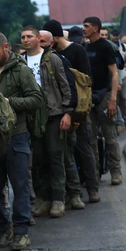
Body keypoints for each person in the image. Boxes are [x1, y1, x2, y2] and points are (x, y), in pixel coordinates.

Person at [0, 32, 42, 251]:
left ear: (5, 48)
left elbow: (37, 99)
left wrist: (9, 102)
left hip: (16, 136)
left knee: (19, 185)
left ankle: (21, 232)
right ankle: (3, 230)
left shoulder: (20, 70)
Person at [43, 20, 99, 205]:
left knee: (84, 148)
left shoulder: (77, 51)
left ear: (54, 37)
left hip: (79, 109)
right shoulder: (52, 55)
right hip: (61, 111)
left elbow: (85, 82)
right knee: (66, 153)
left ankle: (92, 188)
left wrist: (78, 114)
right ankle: (71, 191)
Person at [25, 28, 72, 219]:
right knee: (38, 160)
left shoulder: (52, 59)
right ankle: (43, 198)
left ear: (38, 39)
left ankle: (59, 199)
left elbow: (65, 87)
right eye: (23, 37)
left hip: (54, 114)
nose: (26, 40)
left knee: (55, 157)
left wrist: (68, 113)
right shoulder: (21, 61)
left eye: (29, 36)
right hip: (33, 117)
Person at [84, 17, 122, 185]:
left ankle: (116, 172)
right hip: (89, 98)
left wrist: (113, 99)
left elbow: (114, 74)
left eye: (86, 26)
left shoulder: (106, 46)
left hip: (105, 95)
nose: (83, 29)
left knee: (110, 136)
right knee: (90, 138)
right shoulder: (84, 48)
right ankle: (96, 174)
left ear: (95, 28)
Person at [110, 29, 126, 130]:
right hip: (113, 76)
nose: (115, 37)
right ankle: (118, 122)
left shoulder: (124, 47)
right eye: (114, 35)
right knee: (115, 100)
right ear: (111, 36)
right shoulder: (109, 46)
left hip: (124, 75)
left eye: (117, 35)